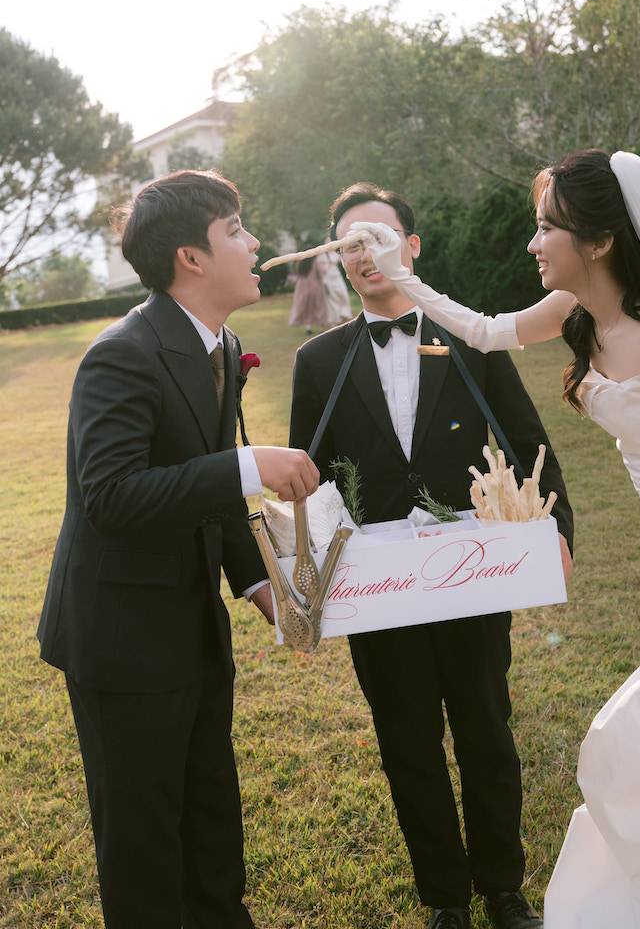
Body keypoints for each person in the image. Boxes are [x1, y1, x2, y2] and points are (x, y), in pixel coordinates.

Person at [353, 150, 640, 928]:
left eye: (546, 228)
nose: (533, 243)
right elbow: (487, 334)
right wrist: (403, 278)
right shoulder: (576, 312)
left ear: (598, 241)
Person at [288, 181, 574, 929]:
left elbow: (525, 437)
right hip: (377, 589)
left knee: (486, 728)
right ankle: (445, 897)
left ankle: (503, 888)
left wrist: (560, 532)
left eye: (381, 237)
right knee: (407, 741)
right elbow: (308, 481)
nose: (366, 253)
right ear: (340, 262)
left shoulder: (470, 340)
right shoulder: (319, 361)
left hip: (473, 574)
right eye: (350, 243)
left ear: (413, 249)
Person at [37, 169, 319, 929]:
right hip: (122, 641)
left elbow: (209, 487)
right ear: (191, 258)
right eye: (237, 230)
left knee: (211, 822)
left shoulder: (220, 343)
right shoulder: (121, 354)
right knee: (143, 847)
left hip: (193, 630)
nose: (255, 242)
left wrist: (260, 588)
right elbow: (113, 498)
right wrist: (250, 464)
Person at [288, 255, 330, 335]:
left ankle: (308, 327)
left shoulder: (299, 263)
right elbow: (323, 271)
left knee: (307, 307)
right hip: (315, 286)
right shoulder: (315, 261)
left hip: (302, 287)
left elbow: (298, 274)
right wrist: (327, 266)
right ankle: (321, 328)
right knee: (319, 306)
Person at [317, 243, 352, 323]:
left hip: (336, 276)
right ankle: (334, 320)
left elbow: (344, 259)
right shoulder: (322, 255)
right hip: (327, 278)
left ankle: (344, 314)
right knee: (331, 300)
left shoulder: (336, 254)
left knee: (343, 294)